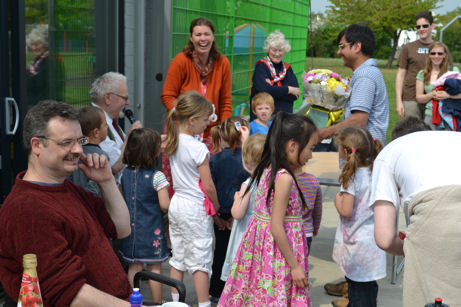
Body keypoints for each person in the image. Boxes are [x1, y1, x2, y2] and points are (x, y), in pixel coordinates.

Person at [0, 100, 132, 306]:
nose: (79, 150)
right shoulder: (26, 208)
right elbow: (66, 293)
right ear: (36, 145)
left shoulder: (68, 190)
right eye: (66, 142)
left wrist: (106, 181)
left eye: (80, 140)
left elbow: (122, 229)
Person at [218, 112, 317, 306]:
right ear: (292, 146)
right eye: (311, 148)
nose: (311, 155)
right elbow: (276, 227)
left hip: (266, 253)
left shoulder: (267, 168)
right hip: (279, 257)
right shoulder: (284, 178)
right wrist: (295, 266)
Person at [370, 117, 461, 306]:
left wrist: (410, 247)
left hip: (439, 214)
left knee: (431, 297)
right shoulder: (453, 138)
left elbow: (384, 238)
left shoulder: (390, 151)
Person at [161, 16, 232, 196]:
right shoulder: (180, 61)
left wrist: (223, 129)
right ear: (191, 38)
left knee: (209, 180)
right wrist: (187, 115)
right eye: (198, 34)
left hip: (210, 133)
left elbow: (225, 101)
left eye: (206, 34)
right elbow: (167, 96)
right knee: (179, 181)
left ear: (213, 37)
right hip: (182, 130)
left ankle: (211, 214)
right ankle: (173, 216)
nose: (203, 38)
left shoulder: (222, 63)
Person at [163, 91, 220, 307]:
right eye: (205, 120)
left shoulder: (173, 140)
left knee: (178, 256)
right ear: (193, 119)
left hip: (177, 203)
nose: (207, 124)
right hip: (195, 207)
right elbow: (208, 186)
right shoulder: (199, 148)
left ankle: (175, 301)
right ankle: (204, 304)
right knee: (201, 261)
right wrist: (216, 205)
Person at [332, 127, 386, 307]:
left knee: (358, 291)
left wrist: (337, 200)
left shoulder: (352, 178)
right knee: (368, 288)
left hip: (357, 247)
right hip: (373, 243)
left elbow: (346, 211)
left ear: (346, 151)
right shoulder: (375, 172)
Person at [118, 128, 170, 304]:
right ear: (152, 152)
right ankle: (157, 303)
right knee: (155, 267)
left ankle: (131, 300)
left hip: (130, 232)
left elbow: (120, 198)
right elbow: (164, 206)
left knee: (134, 266)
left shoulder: (124, 174)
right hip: (152, 232)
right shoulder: (158, 176)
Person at [318, 24, 389, 145]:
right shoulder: (367, 73)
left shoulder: (365, 75)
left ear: (356, 47)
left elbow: (359, 121)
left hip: (364, 153)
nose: (338, 52)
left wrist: (323, 133)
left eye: (342, 46)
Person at [208, 117, 250, 301]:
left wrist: (217, 216)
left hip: (221, 212)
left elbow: (210, 188)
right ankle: (238, 291)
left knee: (221, 252)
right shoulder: (248, 160)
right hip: (241, 212)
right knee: (241, 253)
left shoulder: (215, 159)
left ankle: (217, 292)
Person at [220, 133, 266, 282]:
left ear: (245, 162)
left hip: (248, 233)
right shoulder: (271, 181)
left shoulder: (248, 184)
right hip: (264, 234)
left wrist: (236, 199)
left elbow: (238, 213)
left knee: (245, 271)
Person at [396, 11, 452, 119]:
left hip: (435, 98)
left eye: (425, 26)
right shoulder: (408, 47)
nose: (421, 29)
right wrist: (399, 101)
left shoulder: (441, 48)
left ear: (432, 26)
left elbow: (450, 73)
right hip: (411, 98)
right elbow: (400, 75)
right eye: (418, 27)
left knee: (432, 133)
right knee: (412, 132)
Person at [90, 72, 142, 177]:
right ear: (108, 98)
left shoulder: (109, 121)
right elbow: (115, 166)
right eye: (125, 98)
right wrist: (131, 137)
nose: (128, 103)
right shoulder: (94, 122)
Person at [250, 30, 300, 119]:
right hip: (262, 120)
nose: (277, 54)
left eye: (280, 50)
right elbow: (264, 90)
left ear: (284, 51)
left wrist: (273, 90)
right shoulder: (261, 66)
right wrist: (288, 89)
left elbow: (295, 95)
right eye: (274, 50)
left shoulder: (287, 68)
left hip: (284, 118)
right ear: (268, 50)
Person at [415, 42, 460, 129]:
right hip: (430, 116)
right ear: (429, 55)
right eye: (433, 53)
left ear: (445, 55)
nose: (436, 56)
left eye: (440, 53)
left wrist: (448, 95)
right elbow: (419, 98)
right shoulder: (422, 73)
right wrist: (431, 94)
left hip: (450, 114)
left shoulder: (453, 71)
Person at [68, 106, 109, 197]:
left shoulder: (72, 153)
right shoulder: (101, 157)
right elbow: (95, 189)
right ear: (96, 132)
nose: (107, 127)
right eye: (105, 125)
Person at [26, 24, 64, 108]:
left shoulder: (49, 60)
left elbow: (39, 83)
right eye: (32, 44)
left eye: (37, 44)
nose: (34, 47)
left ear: (46, 44)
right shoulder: (39, 59)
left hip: (44, 106)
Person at [297, 171, 322, 252]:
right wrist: (316, 227)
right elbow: (318, 209)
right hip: (306, 231)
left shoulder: (281, 178)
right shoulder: (312, 180)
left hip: (285, 231)